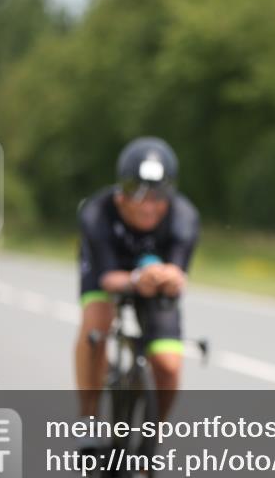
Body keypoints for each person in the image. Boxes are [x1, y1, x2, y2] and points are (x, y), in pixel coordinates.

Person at [74, 136, 200, 430]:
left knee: (168, 366)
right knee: (96, 326)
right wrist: (135, 279)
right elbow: (106, 277)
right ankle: (88, 417)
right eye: (139, 195)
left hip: (155, 283)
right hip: (109, 274)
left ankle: (148, 442)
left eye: (158, 197)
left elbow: (178, 276)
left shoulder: (185, 216)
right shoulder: (97, 212)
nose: (148, 207)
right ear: (121, 194)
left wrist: (169, 279)